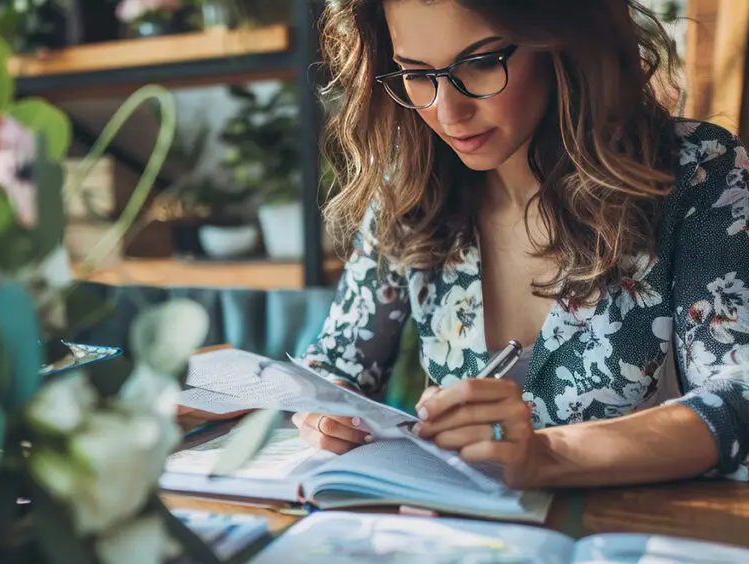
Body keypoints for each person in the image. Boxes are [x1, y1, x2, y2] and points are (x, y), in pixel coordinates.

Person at [187, 0, 749, 490]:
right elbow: (338, 365)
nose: (447, 112)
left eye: (481, 62)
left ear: (564, 41)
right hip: (457, 542)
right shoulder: (408, 188)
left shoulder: (694, 172)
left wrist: (549, 454)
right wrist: (326, 410)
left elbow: (739, 399)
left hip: (632, 546)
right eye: (414, 72)